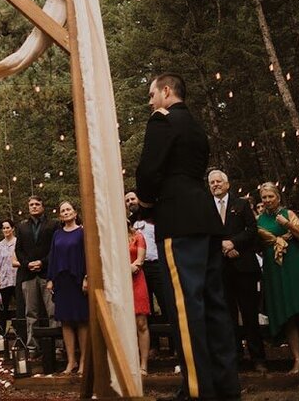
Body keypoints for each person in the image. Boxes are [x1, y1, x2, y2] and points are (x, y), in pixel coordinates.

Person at [135, 73, 240, 401]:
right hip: (206, 220)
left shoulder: (161, 121)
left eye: (153, 94)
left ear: (167, 92)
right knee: (214, 306)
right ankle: (226, 386)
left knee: (185, 307)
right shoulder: (196, 127)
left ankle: (196, 390)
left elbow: (148, 173)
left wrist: (147, 202)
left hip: (178, 222)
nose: (150, 101)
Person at [256, 182, 299, 375]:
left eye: (271, 197)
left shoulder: (288, 214)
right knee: (288, 315)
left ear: (278, 197)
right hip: (273, 269)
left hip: (294, 266)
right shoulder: (259, 220)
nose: (268, 200)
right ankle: (297, 360)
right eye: (264, 197)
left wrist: (288, 225)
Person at [208, 169, 267, 374]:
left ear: (227, 184)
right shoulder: (206, 207)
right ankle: (235, 356)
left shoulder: (241, 205)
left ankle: (258, 357)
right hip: (220, 269)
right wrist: (223, 247)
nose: (215, 185)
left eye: (218, 181)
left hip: (244, 267)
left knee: (249, 314)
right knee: (228, 316)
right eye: (212, 182)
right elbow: (205, 234)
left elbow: (252, 230)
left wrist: (234, 244)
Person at [46, 201, 89, 375]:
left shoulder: (82, 232)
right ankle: (71, 360)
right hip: (62, 281)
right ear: (60, 216)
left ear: (75, 212)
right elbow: (53, 256)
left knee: (81, 320)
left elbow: (88, 255)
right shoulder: (57, 234)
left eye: (68, 209)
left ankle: (85, 360)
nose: (66, 212)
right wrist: (50, 279)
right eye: (63, 210)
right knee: (65, 321)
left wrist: (87, 277)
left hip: (78, 280)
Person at [14, 195, 56, 352]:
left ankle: (57, 347)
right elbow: (18, 249)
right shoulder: (22, 226)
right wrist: (27, 264)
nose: (34, 207)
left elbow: (55, 248)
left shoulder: (53, 225)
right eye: (31, 204)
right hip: (28, 274)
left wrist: (42, 262)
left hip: (47, 273)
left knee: (53, 311)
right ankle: (33, 347)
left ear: (42, 206)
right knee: (31, 313)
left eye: (37, 204)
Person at [126, 190, 165, 325]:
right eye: (128, 201)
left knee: (164, 300)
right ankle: (152, 342)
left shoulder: (153, 217)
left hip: (156, 263)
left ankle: (172, 342)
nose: (131, 202)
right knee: (146, 307)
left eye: (132, 199)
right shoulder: (128, 224)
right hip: (139, 269)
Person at [128, 218, 151, 376]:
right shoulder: (112, 240)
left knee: (141, 322)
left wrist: (126, 267)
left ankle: (143, 364)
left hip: (136, 281)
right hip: (119, 283)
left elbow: (140, 260)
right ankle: (129, 363)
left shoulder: (138, 236)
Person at [0, 220, 18, 338]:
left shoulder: (18, 242)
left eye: (7, 228)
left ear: (13, 228)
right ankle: (0, 335)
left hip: (17, 280)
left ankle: (21, 333)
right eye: (3, 228)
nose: (5, 230)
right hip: (4, 281)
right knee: (2, 309)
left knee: (21, 307)